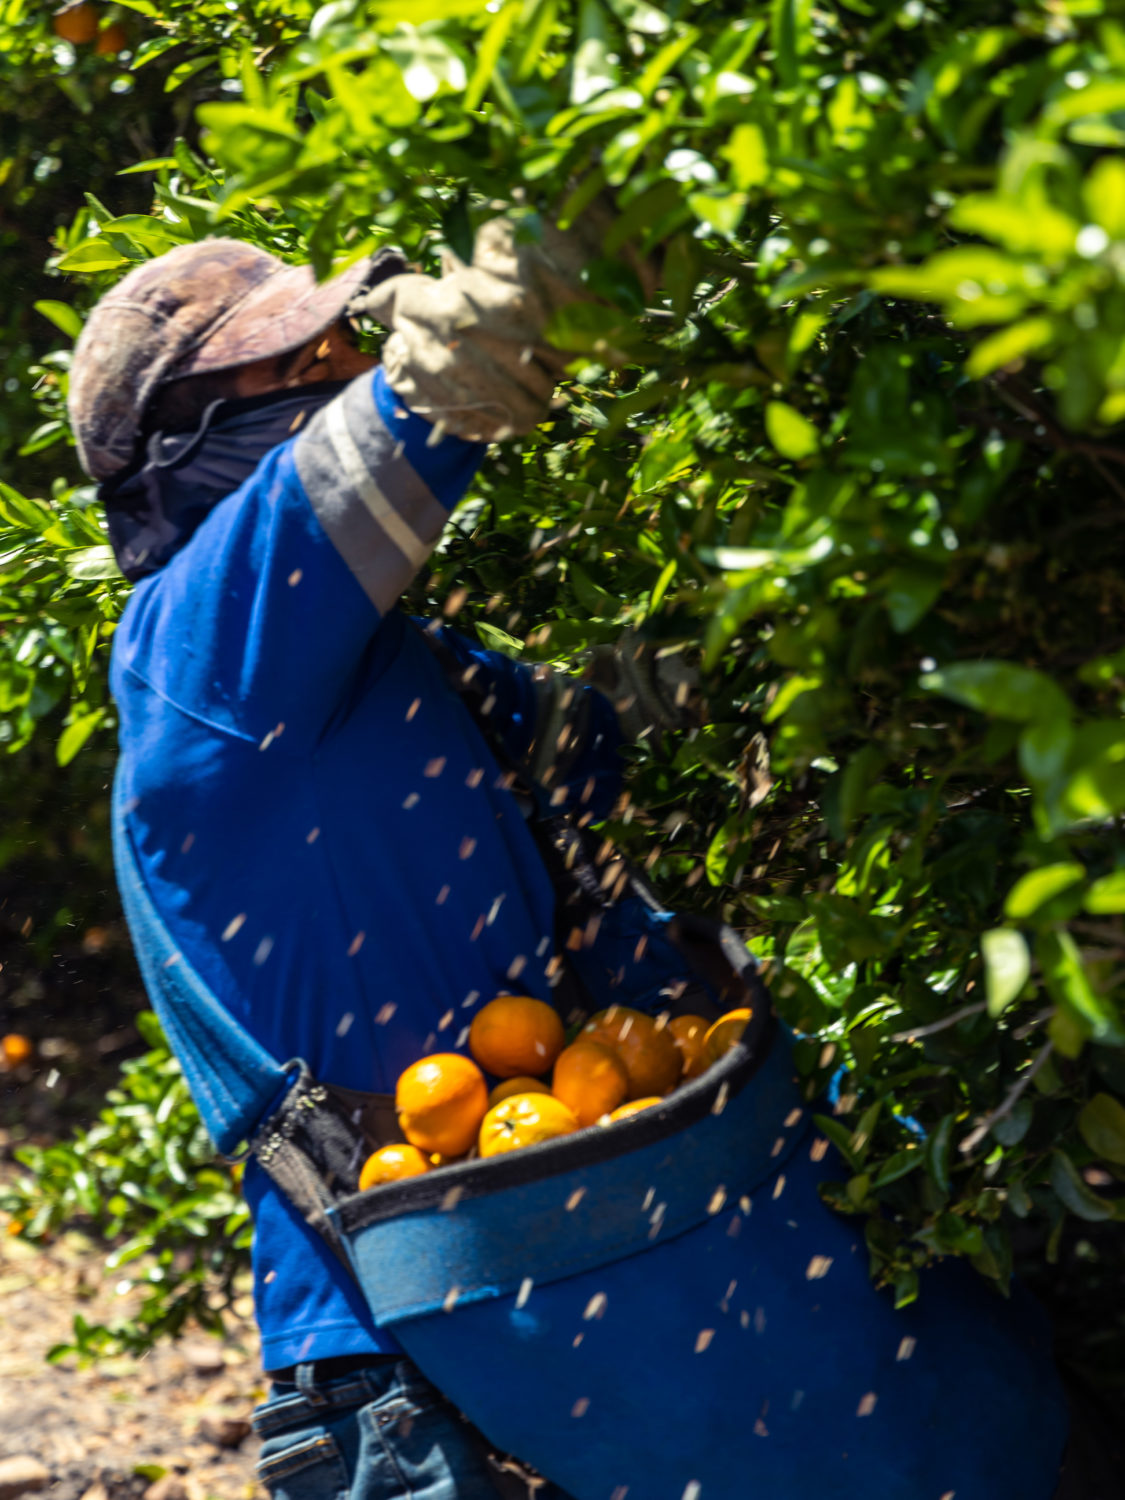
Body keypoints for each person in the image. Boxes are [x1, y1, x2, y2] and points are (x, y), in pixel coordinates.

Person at [67, 223, 694, 1500]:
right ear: (189, 438)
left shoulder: (391, 670)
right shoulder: (204, 642)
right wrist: (556, 248)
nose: (342, 359)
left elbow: (630, 742)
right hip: (399, 1380)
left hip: (576, 1292)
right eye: (295, 356)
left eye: (341, 338)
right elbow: (417, 412)